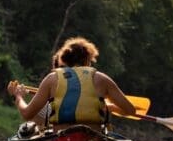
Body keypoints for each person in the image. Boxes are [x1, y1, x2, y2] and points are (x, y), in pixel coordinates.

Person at [7, 37, 136, 134]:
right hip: (93, 139)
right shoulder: (102, 79)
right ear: (87, 60)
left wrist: (18, 97)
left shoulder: (52, 79)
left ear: (65, 58)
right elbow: (131, 110)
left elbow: (27, 114)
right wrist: (110, 107)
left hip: (61, 139)